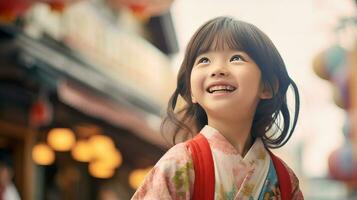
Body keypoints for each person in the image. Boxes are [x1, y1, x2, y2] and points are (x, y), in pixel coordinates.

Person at [131, 16, 303, 199]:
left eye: (236, 58)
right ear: (192, 93)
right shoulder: (180, 164)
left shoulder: (285, 181)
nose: (218, 69)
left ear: (267, 87)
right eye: (204, 60)